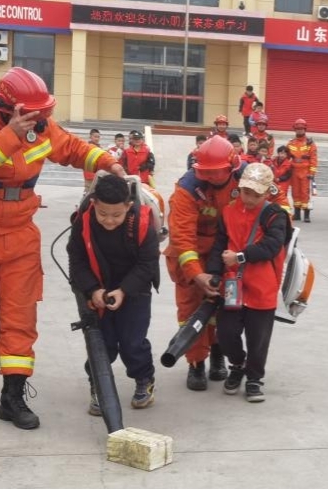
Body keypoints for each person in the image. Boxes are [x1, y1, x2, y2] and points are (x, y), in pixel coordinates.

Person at [0, 67, 124, 430]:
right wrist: (11, 134)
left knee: (20, 316)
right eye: (31, 115)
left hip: (20, 229)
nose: (39, 121)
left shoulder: (40, 124)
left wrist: (110, 163)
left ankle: (13, 395)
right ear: (7, 108)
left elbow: (73, 148)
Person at [66, 173, 161, 415]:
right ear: (94, 204)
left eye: (117, 215)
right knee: (101, 344)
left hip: (135, 290)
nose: (109, 220)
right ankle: (99, 386)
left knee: (132, 342)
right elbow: (76, 260)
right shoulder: (83, 222)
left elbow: (148, 264)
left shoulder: (142, 224)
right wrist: (92, 290)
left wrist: (124, 290)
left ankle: (144, 379)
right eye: (103, 214)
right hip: (98, 290)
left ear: (128, 206)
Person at [205, 163, 290, 403]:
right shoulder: (228, 212)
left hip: (263, 286)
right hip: (232, 285)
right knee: (225, 332)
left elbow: (272, 245)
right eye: (246, 192)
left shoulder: (275, 214)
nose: (249, 198)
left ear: (267, 192)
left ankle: (254, 378)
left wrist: (240, 257)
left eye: (256, 194)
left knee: (258, 338)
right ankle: (238, 364)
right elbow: (219, 245)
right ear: (239, 188)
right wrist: (213, 273)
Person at [166, 135, 242, 391]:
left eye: (216, 172)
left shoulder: (245, 177)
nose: (210, 178)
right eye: (206, 172)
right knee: (190, 310)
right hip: (191, 253)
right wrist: (196, 274)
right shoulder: (187, 189)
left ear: (230, 166)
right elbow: (182, 236)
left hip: (227, 252)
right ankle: (196, 363)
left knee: (225, 308)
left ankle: (218, 354)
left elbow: (274, 203)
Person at [286, 119, 318, 223]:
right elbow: (286, 157)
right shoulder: (291, 143)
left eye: (301, 129)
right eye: (298, 129)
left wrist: (312, 173)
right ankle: (297, 214)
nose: (299, 130)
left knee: (305, 193)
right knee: (295, 192)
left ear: (305, 129)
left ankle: (306, 214)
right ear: (295, 129)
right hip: (294, 171)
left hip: (305, 172)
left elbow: (313, 159)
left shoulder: (310, 143)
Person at [270, 146, 293, 210]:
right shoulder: (273, 161)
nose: (282, 155)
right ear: (278, 153)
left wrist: (280, 179)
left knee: (282, 198)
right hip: (274, 182)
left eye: (284, 154)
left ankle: (283, 210)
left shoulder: (288, 164)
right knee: (272, 196)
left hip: (283, 183)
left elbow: (288, 175)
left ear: (287, 155)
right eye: (281, 153)